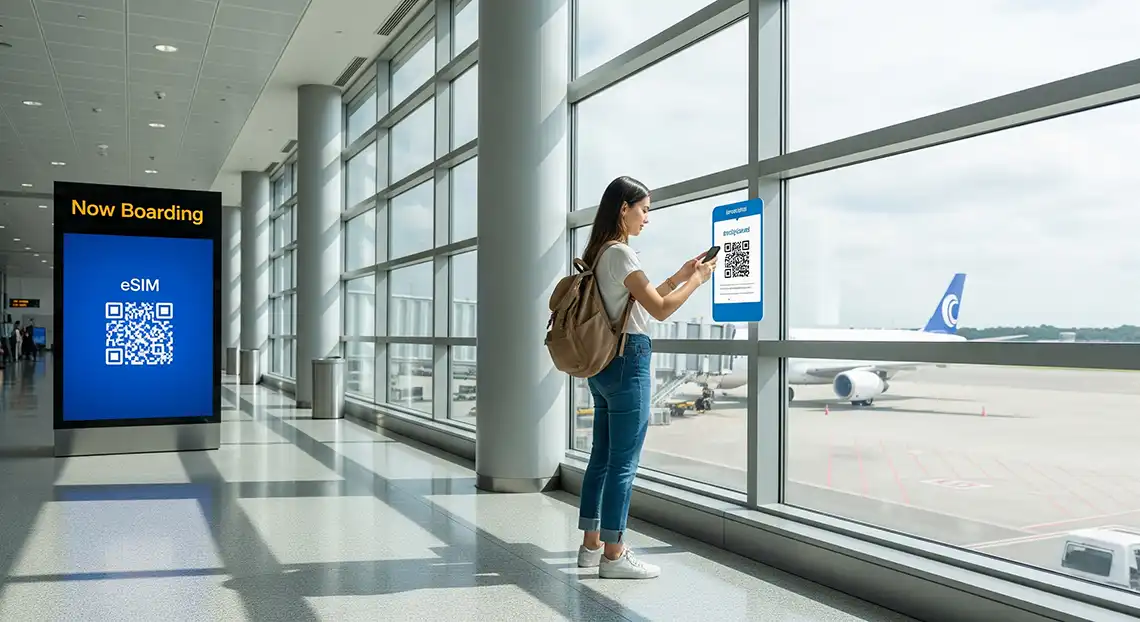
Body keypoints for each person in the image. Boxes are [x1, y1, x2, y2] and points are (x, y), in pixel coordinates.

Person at [575, 176, 717, 579]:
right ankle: (615, 556)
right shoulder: (621, 254)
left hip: (603, 364)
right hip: (628, 362)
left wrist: (681, 273)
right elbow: (659, 310)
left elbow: (641, 298)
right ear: (624, 208)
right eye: (644, 209)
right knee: (623, 464)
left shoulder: (600, 253)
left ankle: (591, 547)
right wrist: (697, 281)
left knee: (600, 459)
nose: (647, 218)